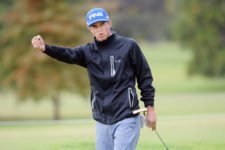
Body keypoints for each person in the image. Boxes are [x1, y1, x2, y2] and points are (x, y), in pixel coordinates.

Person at [31, 8, 156, 150]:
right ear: (90, 29)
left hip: (127, 116)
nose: (99, 29)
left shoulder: (129, 46)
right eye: (95, 26)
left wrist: (150, 108)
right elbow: (67, 54)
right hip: (102, 120)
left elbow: (145, 77)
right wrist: (45, 48)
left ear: (109, 23)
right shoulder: (87, 52)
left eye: (102, 24)